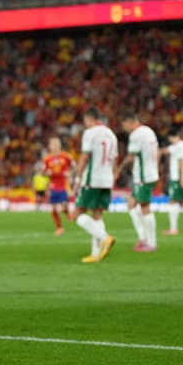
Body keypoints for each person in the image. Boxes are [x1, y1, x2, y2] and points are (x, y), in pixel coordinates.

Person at [72, 109, 118, 263]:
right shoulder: (111, 134)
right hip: (107, 179)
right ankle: (96, 253)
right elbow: (115, 159)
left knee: (77, 214)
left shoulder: (90, 133)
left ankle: (105, 238)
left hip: (92, 179)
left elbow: (85, 156)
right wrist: (112, 177)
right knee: (97, 215)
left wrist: (78, 179)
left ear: (88, 118)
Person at [116, 112, 160, 252]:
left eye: (124, 125)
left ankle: (151, 243)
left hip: (144, 176)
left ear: (129, 122)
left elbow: (130, 157)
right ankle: (142, 237)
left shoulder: (136, 134)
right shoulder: (149, 131)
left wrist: (118, 170)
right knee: (131, 204)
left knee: (145, 207)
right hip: (147, 174)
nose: (124, 128)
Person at [41, 136, 74, 235]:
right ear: (49, 146)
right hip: (53, 186)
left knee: (64, 206)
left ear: (60, 145)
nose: (54, 146)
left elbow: (74, 167)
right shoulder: (47, 159)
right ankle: (59, 227)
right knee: (54, 208)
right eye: (52, 144)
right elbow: (42, 172)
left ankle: (67, 212)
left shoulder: (67, 156)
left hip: (64, 185)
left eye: (56, 144)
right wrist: (47, 173)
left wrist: (70, 173)